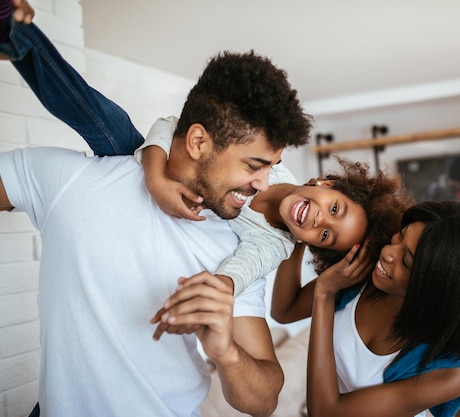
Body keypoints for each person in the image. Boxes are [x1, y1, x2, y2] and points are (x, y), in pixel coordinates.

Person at [0, 2, 314, 417]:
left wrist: (227, 352)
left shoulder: (237, 249)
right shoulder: (79, 178)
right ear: (199, 142)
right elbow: (164, 128)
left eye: (270, 169)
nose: (262, 184)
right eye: (254, 166)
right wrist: (152, 170)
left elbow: (264, 401)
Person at [0, 1, 412, 302]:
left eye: (325, 235)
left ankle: (17, 37)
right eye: (334, 209)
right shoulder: (274, 166)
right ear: (327, 183)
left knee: (101, 117)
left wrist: (221, 290)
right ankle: (17, 34)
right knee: (102, 115)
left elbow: (240, 271)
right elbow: (169, 127)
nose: (319, 220)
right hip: (153, 161)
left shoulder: (275, 243)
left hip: (176, 181)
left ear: (311, 245)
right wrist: (156, 175)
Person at [270, 200, 460, 417]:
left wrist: (324, 294)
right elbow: (284, 310)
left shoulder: (452, 373)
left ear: (440, 290)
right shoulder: (363, 276)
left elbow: (326, 413)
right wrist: (296, 231)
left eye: (406, 261)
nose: (387, 253)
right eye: (400, 236)